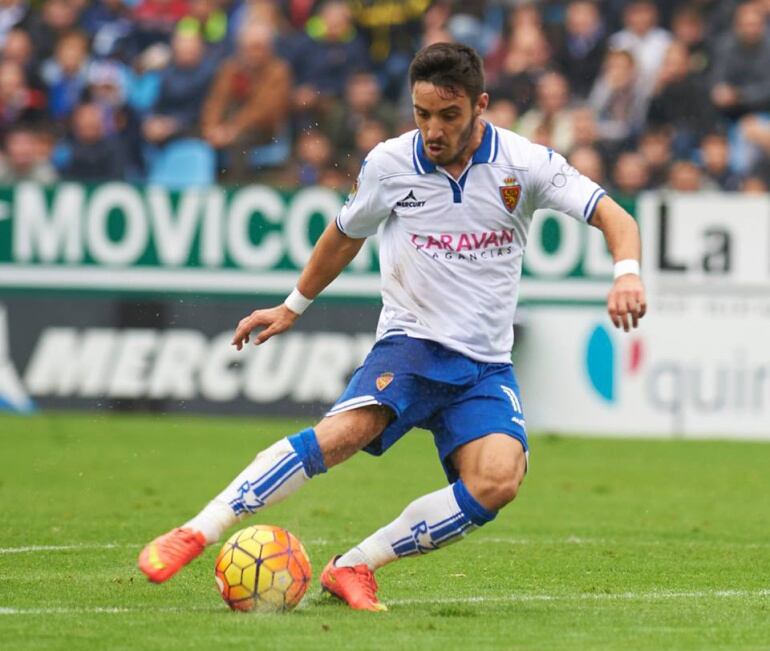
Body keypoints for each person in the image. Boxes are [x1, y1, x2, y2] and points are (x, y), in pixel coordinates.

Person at [138, 43, 646, 611]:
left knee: (500, 479)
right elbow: (344, 234)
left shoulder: (525, 164)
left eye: (449, 115)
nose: (432, 129)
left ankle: (355, 565)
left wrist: (626, 273)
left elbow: (613, 215)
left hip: (482, 366)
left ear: (480, 106)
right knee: (343, 436)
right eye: (422, 114)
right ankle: (197, 531)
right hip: (411, 345)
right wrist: (291, 306)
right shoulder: (389, 163)